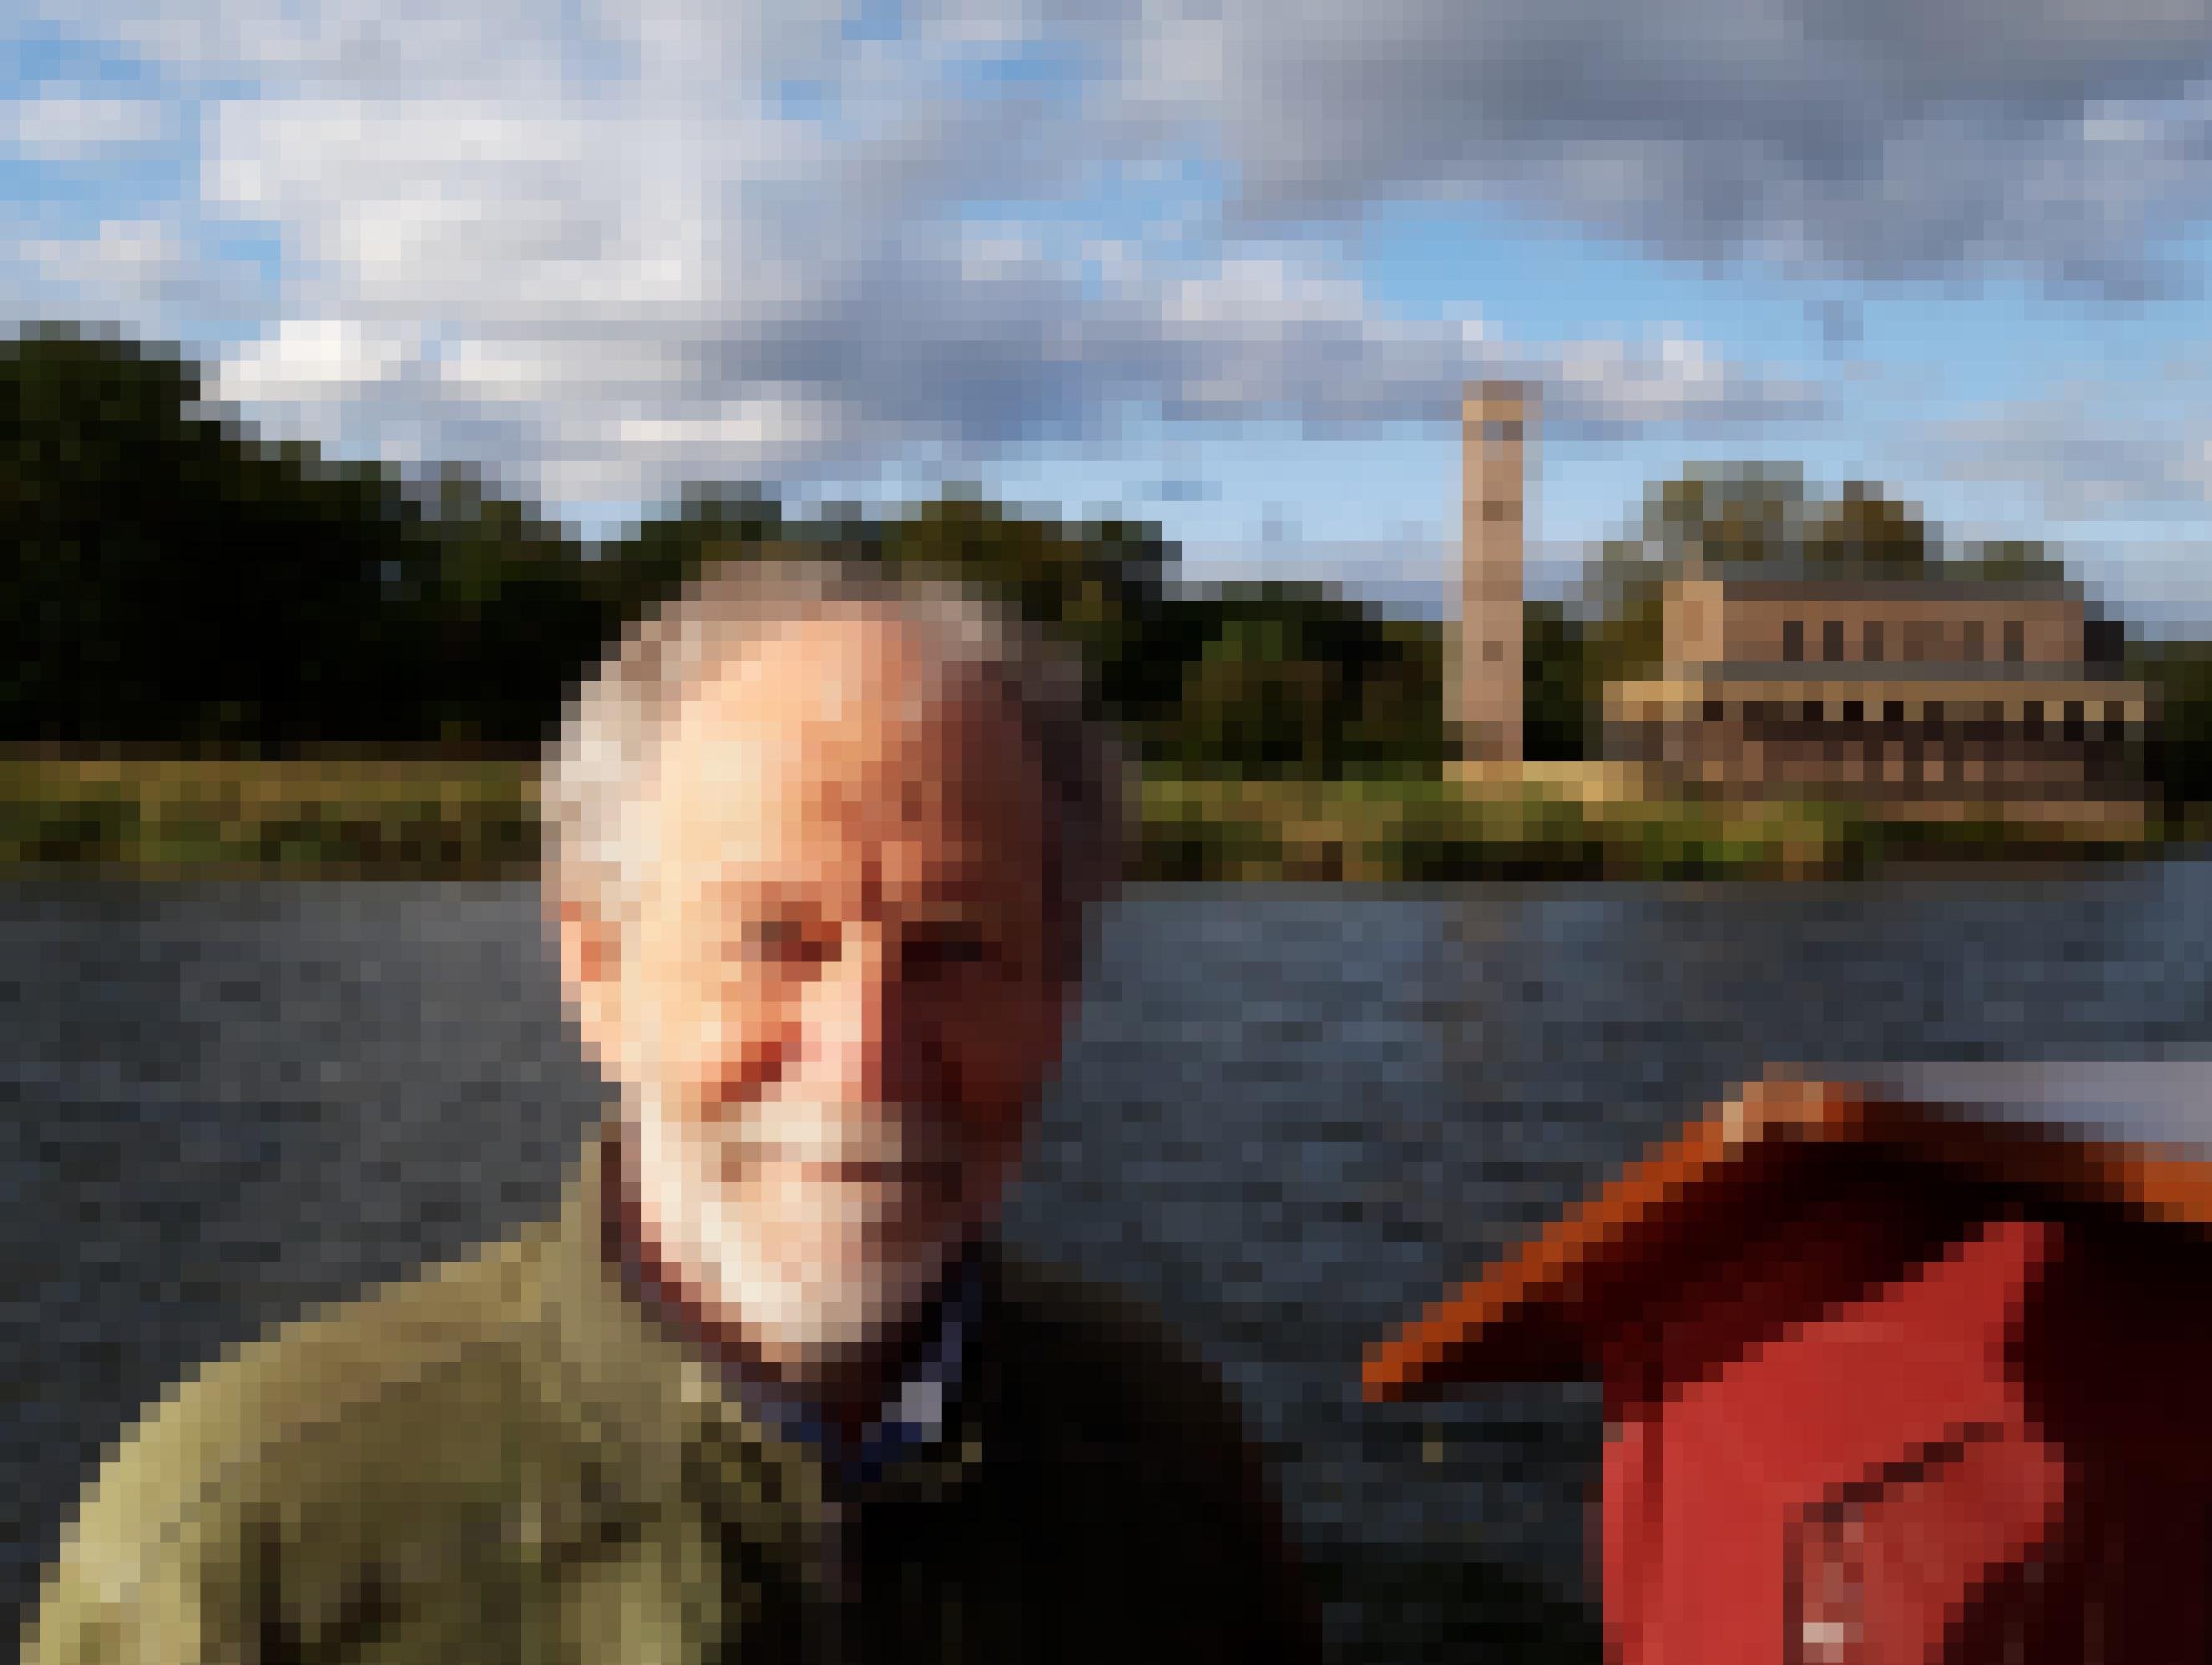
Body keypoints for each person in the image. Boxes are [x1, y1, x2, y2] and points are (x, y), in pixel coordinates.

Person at [27, 557, 1320, 1665]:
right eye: (772, 937)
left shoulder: (1172, 1468)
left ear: (1062, 993)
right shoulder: (239, 1544)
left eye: (957, 945)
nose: (864, 1061)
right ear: (600, 975)